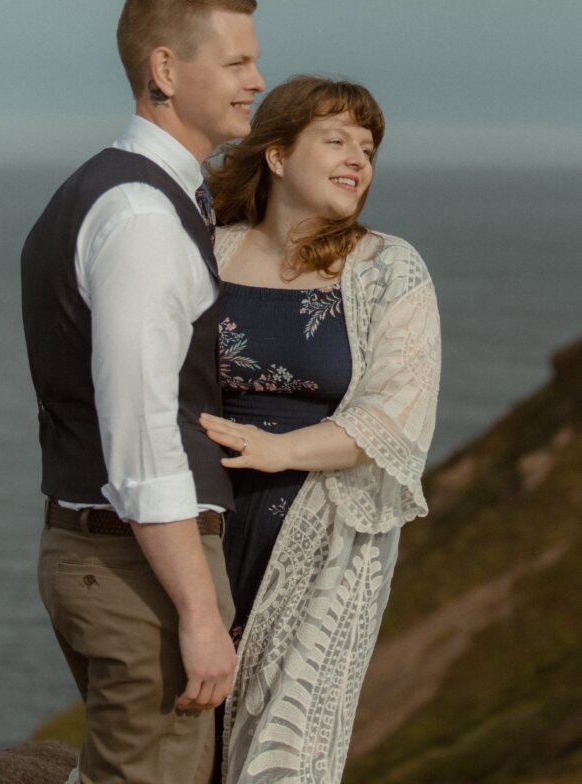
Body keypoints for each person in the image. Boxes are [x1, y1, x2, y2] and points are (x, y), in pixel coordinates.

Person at [20, 0, 265, 784]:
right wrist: (198, 613)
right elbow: (141, 431)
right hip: (138, 575)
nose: (256, 81)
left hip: (100, 553)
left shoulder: (108, 190)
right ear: (165, 70)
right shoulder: (142, 218)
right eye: (235, 63)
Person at [201, 75, 441, 784]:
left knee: (287, 745)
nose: (356, 160)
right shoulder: (206, 249)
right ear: (276, 156)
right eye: (335, 140)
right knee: (177, 728)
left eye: (366, 148)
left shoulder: (388, 268)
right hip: (200, 525)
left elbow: (395, 413)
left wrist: (280, 449)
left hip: (325, 534)